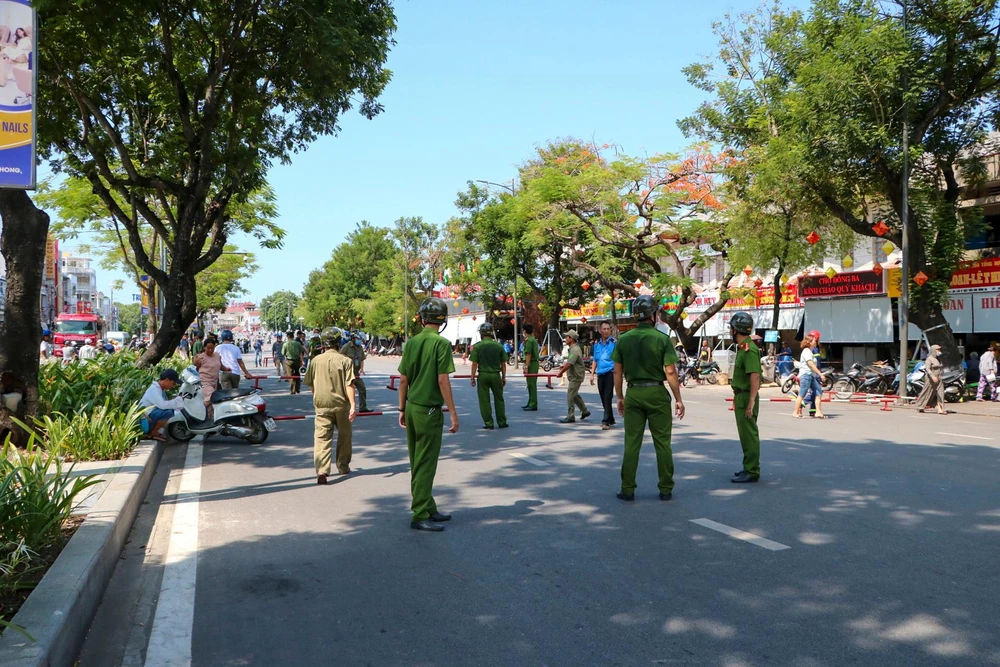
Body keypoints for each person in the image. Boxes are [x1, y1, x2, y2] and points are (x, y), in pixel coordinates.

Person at [612, 295, 685, 501]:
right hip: (657, 394)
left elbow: (617, 372)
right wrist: (678, 399)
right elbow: (670, 372)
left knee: (631, 443)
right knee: (662, 443)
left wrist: (619, 397)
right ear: (652, 315)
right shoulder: (662, 339)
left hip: (634, 393)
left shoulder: (624, 339)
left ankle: (627, 489)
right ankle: (665, 488)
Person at [397, 297, 459, 532]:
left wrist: (401, 408)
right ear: (442, 320)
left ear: (423, 318)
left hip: (412, 406)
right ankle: (420, 512)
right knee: (426, 462)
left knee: (417, 460)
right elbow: (443, 379)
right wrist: (453, 413)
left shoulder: (411, 343)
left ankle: (428, 505)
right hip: (429, 410)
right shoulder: (441, 343)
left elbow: (403, 379)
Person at [305, 327, 357, 484]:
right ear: (338, 342)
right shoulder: (345, 361)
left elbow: (311, 384)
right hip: (341, 404)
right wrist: (353, 405)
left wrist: (317, 396)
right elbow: (350, 385)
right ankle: (343, 466)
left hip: (321, 404)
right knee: (344, 436)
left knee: (321, 438)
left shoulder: (315, 361)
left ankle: (322, 469)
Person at [730, 311, 763, 483]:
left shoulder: (749, 350)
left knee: (749, 434)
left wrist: (751, 401)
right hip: (741, 396)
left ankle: (752, 470)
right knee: (745, 434)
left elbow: (755, 376)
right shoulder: (743, 348)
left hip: (746, 397)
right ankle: (747, 466)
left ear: (735, 330)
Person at [470, 322, 508, 430]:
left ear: (481, 333)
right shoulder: (499, 346)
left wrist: (472, 377)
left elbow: (474, 364)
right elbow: (503, 364)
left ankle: (488, 423)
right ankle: (502, 422)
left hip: (483, 376)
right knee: (499, 399)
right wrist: (503, 377)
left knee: (484, 400)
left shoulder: (478, 346)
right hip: (496, 375)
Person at [139, 369, 186, 442]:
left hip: (150, 416)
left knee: (169, 410)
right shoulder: (154, 390)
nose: (173, 386)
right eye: (173, 383)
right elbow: (163, 405)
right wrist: (178, 400)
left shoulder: (160, 389)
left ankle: (154, 431)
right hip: (145, 421)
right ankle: (152, 433)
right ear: (167, 380)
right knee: (168, 412)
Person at [556, 330, 590, 424]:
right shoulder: (573, 349)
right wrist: (563, 366)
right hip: (575, 375)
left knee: (570, 395)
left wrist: (561, 372)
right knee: (574, 395)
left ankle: (571, 416)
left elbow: (570, 364)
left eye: (567, 337)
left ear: (571, 339)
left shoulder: (574, 350)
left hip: (576, 376)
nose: (565, 339)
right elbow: (571, 361)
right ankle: (584, 411)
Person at [792, 331, 826, 419]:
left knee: (818, 392)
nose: (816, 341)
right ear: (809, 342)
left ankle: (818, 412)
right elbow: (811, 364)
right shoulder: (806, 351)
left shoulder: (810, 351)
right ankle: (795, 412)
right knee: (802, 394)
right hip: (806, 375)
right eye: (814, 340)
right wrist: (820, 374)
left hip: (811, 376)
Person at [194, 337, 230, 422]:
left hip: (214, 381)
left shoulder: (217, 355)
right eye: (208, 348)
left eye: (212, 348)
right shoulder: (200, 357)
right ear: (204, 348)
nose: (210, 350)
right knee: (212, 398)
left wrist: (227, 369)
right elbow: (196, 368)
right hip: (205, 381)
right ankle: (197, 412)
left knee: (212, 404)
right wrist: (197, 361)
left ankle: (210, 420)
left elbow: (220, 365)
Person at [590, 322, 617, 430]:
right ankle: (611, 418)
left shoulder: (614, 343)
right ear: (600, 330)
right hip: (600, 373)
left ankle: (605, 420)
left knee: (608, 396)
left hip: (611, 372)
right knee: (602, 396)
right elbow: (595, 360)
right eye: (604, 329)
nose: (606, 331)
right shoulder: (597, 345)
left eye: (608, 329)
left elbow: (618, 359)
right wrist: (592, 374)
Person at [341, 331, 370, 413]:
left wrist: (362, 369)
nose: (360, 341)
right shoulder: (346, 347)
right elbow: (339, 357)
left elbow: (362, 359)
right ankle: (346, 409)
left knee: (362, 389)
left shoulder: (360, 348)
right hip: (347, 373)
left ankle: (363, 407)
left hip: (356, 373)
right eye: (358, 339)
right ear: (353, 339)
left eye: (360, 340)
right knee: (346, 391)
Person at [915, 344, 947, 415]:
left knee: (940, 393)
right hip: (931, 379)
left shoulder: (938, 359)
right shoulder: (929, 359)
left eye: (939, 350)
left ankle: (940, 408)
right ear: (933, 350)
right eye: (937, 350)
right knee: (927, 392)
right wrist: (932, 376)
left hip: (939, 378)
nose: (939, 351)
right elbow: (928, 369)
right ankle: (920, 405)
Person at [522, 324, 540, 411]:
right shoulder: (531, 339)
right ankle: (530, 402)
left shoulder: (529, 340)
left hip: (531, 363)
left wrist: (526, 366)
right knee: (530, 384)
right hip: (533, 363)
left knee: (531, 384)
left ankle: (533, 404)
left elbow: (528, 354)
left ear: (525, 331)